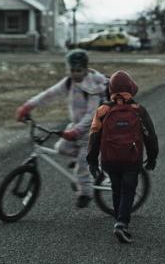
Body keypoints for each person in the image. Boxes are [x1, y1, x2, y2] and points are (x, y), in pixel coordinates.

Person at [15, 49, 109, 208]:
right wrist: (27, 106)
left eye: (79, 70)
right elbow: (49, 94)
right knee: (61, 148)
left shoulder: (93, 87)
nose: (75, 73)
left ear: (86, 69)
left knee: (82, 166)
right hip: (76, 126)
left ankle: (85, 193)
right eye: (72, 70)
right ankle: (86, 165)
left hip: (93, 131)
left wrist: (76, 131)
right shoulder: (69, 82)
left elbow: (92, 114)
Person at [86, 70, 158, 244]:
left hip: (109, 160)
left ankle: (119, 219)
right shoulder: (138, 110)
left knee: (117, 189)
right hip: (131, 159)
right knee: (129, 189)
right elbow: (150, 136)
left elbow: (94, 136)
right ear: (130, 88)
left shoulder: (102, 110)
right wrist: (152, 157)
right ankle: (121, 223)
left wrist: (92, 160)